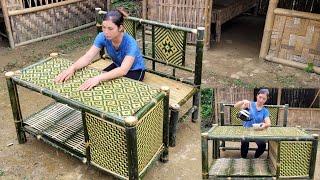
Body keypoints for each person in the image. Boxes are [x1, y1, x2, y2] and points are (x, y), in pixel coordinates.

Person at [54, 9, 145, 90]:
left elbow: (123, 70)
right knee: (95, 83)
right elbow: (88, 57)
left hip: (135, 70)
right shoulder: (102, 37)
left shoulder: (130, 43)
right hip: (118, 65)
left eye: (110, 28)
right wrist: (72, 68)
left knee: (112, 88)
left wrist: (98, 78)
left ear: (120, 28)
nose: (106, 32)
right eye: (104, 27)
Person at [234, 88, 271, 158]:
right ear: (257, 96)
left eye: (264, 99)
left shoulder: (265, 111)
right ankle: (244, 158)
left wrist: (265, 125)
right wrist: (243, 101)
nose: (261, 100)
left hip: (257, 132)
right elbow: (235, 106)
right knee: (244, 143)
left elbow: (268, 123)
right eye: (260, 97)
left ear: (266, 100)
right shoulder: (249, 104)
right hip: (246, 130)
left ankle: (255, 157)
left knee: (262, 145)